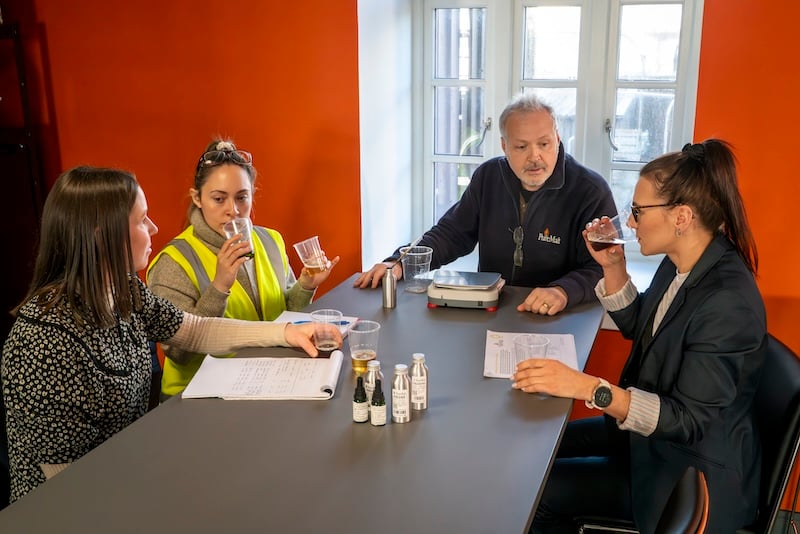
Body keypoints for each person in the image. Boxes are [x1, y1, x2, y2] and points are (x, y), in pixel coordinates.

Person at [1, 166, 341, 502]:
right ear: (101, 234)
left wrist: (286, 333)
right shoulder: (42, 341)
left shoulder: (124, 290)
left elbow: (191, 329)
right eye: (141, 220)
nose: (154, 227)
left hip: (128, 473)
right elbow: (66, 484)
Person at [512, 139, 766, 532]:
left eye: (636, 212)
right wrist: (613, 266)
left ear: (680, 217)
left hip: (685, 470)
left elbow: (687, 420)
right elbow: (642, 327)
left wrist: (589, 387)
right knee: (535, 456)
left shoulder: (727, 302)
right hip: (650, 442)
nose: (629, 223)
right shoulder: (683, 261)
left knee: (536, 492)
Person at [354, 93, 617, 315]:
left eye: (544, 144)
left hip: (559, 315)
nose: (535, 156)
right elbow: (453, 233)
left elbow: (604, 267)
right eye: (521, 147)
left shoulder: (590, 191)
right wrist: (401, 262)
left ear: (558, 139)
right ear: (504, 146)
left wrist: (563, 291)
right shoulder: (488, 176)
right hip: (493, 310)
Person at [147, 139, 339, 397]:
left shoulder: (270, 240)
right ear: (198, 198)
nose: (233, 211)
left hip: (265, 379)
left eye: (242, 197)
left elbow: (286, 318)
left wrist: (306, 285)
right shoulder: (173, 261)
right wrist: (220, 287)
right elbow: (178, 352)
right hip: (197, 396)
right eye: (219, 199)